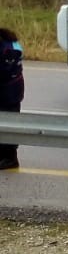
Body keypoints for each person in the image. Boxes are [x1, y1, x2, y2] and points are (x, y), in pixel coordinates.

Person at [0, 27, 22, 171]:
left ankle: (10, 159)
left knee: (8, 124)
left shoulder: (8, 49)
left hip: (9, 92)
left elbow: (4, 71)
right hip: (13, 88)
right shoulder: (10, 43)